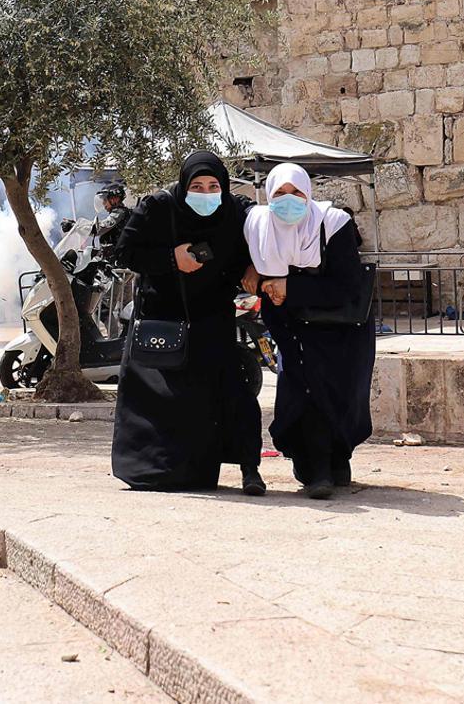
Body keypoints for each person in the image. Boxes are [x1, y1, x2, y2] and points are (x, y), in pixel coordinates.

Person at [111, 151, 265, 495]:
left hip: (213, 319)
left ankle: (249, 468)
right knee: (161, 401)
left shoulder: (235, 212)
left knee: (231, 394)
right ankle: (156, 471)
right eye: (197, 185)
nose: (206, 192)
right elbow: (123, 252)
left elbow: (260, 241)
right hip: (163, 318)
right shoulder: (159, 208)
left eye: (213, 185)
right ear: (183, 185)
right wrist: (171, 258)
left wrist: (255, 267)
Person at [242, 163, 375, 500]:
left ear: (309, 193)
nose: (289, 201)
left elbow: (347, 286)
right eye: (280, 194)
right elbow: (255, 273)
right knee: (300, 396)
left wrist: (290, 287)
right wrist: (255, 276)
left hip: (338, 331)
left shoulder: (333, 224)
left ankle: (332, 463)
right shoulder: (258, 224)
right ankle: (314, 468)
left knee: (336, 395)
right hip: (290, 330)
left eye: (297, 193)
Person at [95, 181, 132, 265]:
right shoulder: (120, 212)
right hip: (116, 260)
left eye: (105, 199)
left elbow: (101, 228)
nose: (103, 203)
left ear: (114, 199)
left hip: (121, 263)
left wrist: (78, 227)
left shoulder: (120, 212)